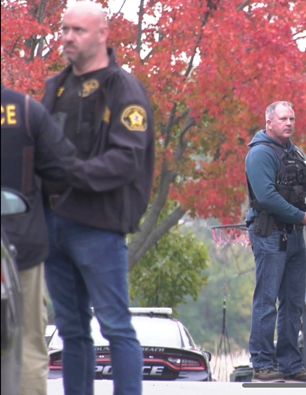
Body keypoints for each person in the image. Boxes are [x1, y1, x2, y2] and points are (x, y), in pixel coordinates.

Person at [40, 2, 155, 394]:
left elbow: (127, 160)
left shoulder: (122, 87)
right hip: (53, 223)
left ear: (103, 35)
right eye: (64, 29)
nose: (68, 37)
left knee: (116, 327)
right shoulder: (55, 86)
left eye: (78, 30)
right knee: (71, 331)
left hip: (98, 227)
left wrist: (71, 174)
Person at [245, 101, 306, 383]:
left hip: (295, 233)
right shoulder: (260, 154)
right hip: (270, 232)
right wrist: (302, 216)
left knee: (294, 302)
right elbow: (267, 197)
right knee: (267, 299)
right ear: (269, 122)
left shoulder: (293, 152)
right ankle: (262, 365)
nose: (289, 123)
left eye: (292, 118)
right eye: (283, 118)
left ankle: (290, 364)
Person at [1, 85, 77, 395]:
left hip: (23, 246)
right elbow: (63, 167)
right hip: (22, 244)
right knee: (29, 342)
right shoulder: (27, 111)